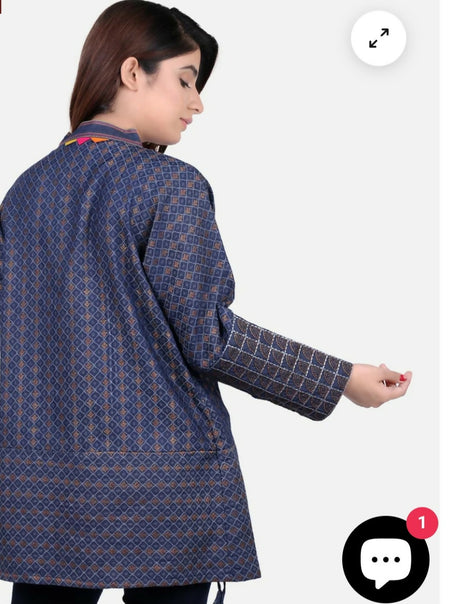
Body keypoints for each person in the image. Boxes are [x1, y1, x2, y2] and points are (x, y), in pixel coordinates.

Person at [0, 2, 412, 603]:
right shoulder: (168, 184)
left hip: (43, 489)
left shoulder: (25, 192)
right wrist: (341, 378)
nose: (197, 104)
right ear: (132, 71)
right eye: (186, 81)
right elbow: (209, 339)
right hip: (167, 486)